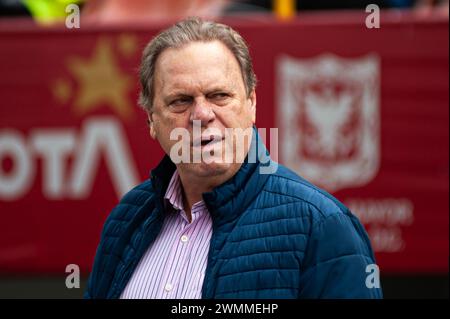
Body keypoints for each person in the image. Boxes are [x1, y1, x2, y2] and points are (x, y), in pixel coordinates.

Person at [84, 17, 382, 299]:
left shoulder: (323, 226)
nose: (201, 114)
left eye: (219, 96)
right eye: (180, 101)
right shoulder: (126, 220)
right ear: (151, 119)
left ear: (251, 104)